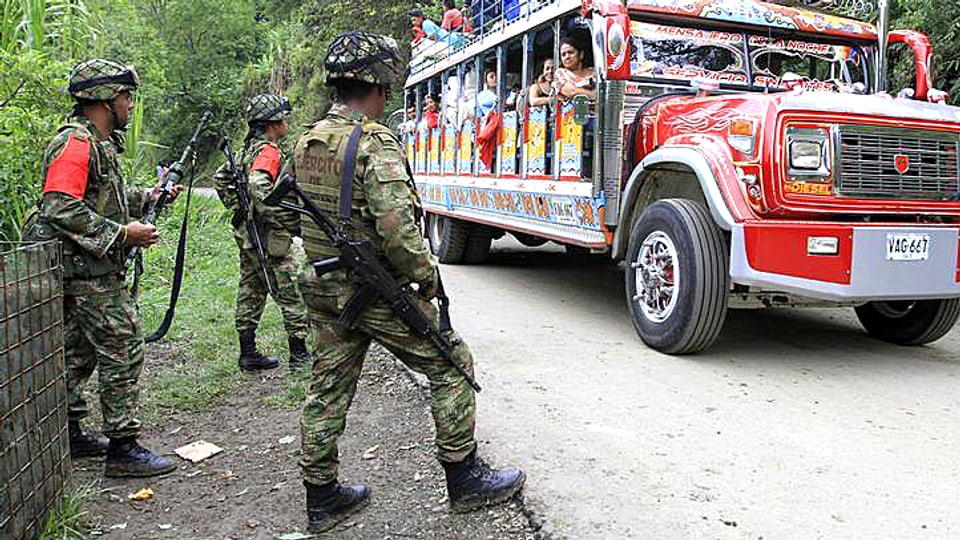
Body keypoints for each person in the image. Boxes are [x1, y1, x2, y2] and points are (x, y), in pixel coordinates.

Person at [288, 31, 525, 533]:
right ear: (381, 82)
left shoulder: (306, 141)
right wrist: (427, 278)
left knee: (327, 388)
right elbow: (397, 229)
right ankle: (464, 480)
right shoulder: (373, 142)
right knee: (452, 362)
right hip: (373, 290)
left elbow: (293, 218)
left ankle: (322, 496)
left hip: (323, 285)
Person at [25, 59, 182, 477]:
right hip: (85, 274)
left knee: (74, 355)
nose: (130, 104)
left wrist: (149, 196)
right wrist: (122, 234)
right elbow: (59, 205)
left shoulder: (98, 143)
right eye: (125, 97)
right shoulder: (76, 143)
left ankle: (69, 430)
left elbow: (100, 197)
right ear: (105, 100)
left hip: (83, 272)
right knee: (124, 344)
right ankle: (123, 448)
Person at [213, 93, 312, 372]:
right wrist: (282, 218)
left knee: (250, 290)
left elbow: (220, 178)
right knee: (292, 291)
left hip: (248, 235)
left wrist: (238, 208)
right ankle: (300, 355)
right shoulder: (268, 152)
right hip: (270, 237)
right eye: (283, 117)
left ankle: (248, 353)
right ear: (272, 123)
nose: (286, 122)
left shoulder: (247, 151)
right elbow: (259, 186)